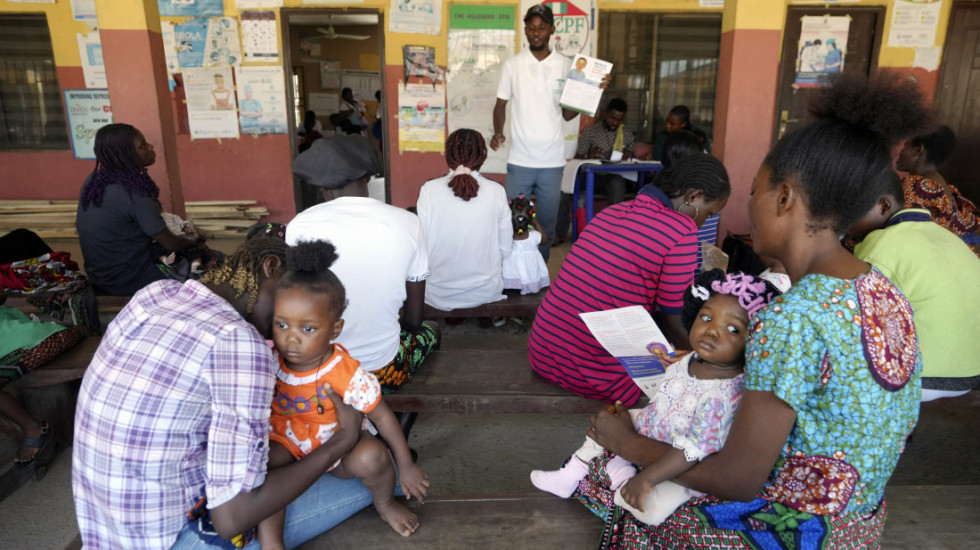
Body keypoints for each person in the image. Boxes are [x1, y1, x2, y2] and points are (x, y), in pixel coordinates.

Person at [581, 72, 929, 548]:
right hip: (861, 517)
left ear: (785, 198)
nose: (747, 205)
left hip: (801, 528)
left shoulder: (792, 317)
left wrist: (629, 445)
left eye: (754, 192)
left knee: (612, 477)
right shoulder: (884, 289)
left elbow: (739, 478)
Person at [73, 238, 377, 549]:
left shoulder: (155, 294)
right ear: (270, 267)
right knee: (375, 473)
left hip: (106, 528)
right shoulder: (239, 343)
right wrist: (343, 441)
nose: (286, 334)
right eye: (284, 313)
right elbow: (231, 518)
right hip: (170, 537)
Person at [531, 270, 780, 526]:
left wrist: (647, 478)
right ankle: (571, 474)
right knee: (608, 419)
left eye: (733, 329)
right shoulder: (694, 358)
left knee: (653, 511)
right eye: (706, 317)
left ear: (754, 342)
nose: (712, 331)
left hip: (680, 459)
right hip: (656, 424)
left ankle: (623, 475)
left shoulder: (723, 394)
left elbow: (692, 450)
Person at [258, 240, 429, 548]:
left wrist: (405, 464)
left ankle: (385, 504)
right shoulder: (271, 362)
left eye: (307, 329)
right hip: (289, 442)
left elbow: (382, 416)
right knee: (262, 465)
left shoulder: (345, 373)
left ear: (335, 330)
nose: (291, 339)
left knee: (374, 456)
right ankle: (272, 540)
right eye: (281, 324)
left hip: (339, 447)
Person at [529, 154, 731, 406]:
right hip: (592, 375)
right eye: (710, 213)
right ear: (693, 197)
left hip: (544, 352)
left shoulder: (612, 212)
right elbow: (675, 320)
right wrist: (711, 361)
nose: (706, 221)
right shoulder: (681, 230)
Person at [288, 135, 438, 393]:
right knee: (431, 331)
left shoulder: (299, 225)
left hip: (319, 371)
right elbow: (414, 320)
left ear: (324, 188)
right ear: (368, 178)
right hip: (382, 370)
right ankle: (393, 419)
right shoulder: (408, 223)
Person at [491, 4, 608, 262]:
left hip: (552, 163)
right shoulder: (513, 65)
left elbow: (567, 114)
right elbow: (500, 104)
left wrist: (592, 89)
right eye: (531, 28)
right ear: (525, 30)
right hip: (520, 161)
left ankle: (540, 275)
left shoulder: (567, 66)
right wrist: (498, 131)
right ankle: (513, 271)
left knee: (547, 224)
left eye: (541, 27)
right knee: (514, 220)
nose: (536, 33)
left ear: (552, 30)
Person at [845, 178, 980, 402]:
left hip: (925, 376)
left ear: (883, 206)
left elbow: (855, 315)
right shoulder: (945, 236)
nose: (846, 224)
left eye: (851, 214)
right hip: (972, 370)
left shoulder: (880, 243)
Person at [76, 123, 205, 296]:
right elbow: (171, 242)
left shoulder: (94, 181)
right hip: (131, 279)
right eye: (143, 146)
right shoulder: (134, 196)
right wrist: (195, 237)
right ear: (126, 155)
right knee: (211, 269)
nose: (150, 147)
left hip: (99, 276)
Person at [416, 129, 512, 311]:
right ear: (482, 156)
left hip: (437, 293)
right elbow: (506, 250)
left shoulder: (429, 190)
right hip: (486, 291)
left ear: (449, 155)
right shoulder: (496, 191)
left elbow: (421, 245)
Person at [898, 125, 980, 257]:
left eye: (906, 145)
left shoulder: (915, 186)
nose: (900, 151)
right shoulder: (937, 179)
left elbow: (900, 234)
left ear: (918, 149)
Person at [575, 98, 635, 206]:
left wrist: (629, 156)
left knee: (617, 183)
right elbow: (577, 159)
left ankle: (615, 221)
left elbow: (632, 160)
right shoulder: (591, 132)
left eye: (619, 120)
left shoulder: (626, 134)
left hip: (614, 178)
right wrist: (589, 156)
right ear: (606, 113)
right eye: (612, 118)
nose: (615, 123)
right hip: (593, 177)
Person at [502, 194, 551, 294]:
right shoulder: (535, 236)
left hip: (510, 280)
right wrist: (536, 223)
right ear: (531, 219)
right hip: (532, 277)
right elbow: (545, 240)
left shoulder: (505, 239)